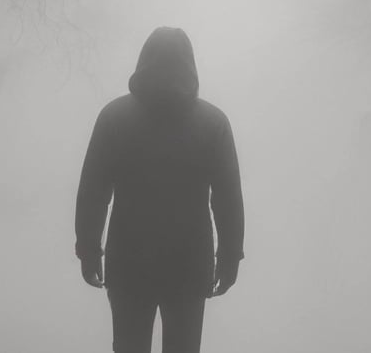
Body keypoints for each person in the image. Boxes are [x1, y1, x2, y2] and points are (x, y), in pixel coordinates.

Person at [75, 26, 245, 353]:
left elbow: (94, 191)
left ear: (143, 61)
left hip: (128, 262)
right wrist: (229, 257)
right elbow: (227, 198)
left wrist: (88, 248)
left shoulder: (114, 117)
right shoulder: (213, 123)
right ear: (190, 65)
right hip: (189, 265)